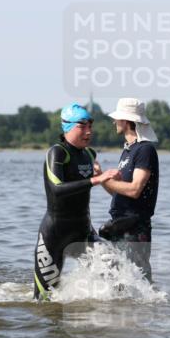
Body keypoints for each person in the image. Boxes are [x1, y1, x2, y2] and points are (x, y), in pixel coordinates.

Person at [34, 103, 119, 299]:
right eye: (82, 126)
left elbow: (97, 176)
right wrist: (95, 180)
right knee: (43, 299)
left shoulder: (90, 154)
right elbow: (57, 189)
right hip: (55, 235)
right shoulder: (57, 152)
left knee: (114, 267)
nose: (89, 132)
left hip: (83, 231)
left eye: (90, 126)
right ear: (67, 127)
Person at [100, 98, 160, 282]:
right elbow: (120, 192)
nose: (114, 122)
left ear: (126, 122)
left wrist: (102, 179)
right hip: (119, 223)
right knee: (114, 280)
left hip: (135, 227)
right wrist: (102, 179)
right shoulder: (128, 150)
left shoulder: (145, 150)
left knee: (138, 280)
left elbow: (134, 190)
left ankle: (149, 309)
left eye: (117, 118)